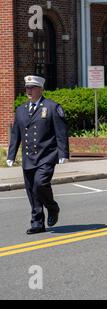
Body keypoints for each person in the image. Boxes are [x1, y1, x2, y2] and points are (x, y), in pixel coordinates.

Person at [7, 75, 69, 234]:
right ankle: (37, 223)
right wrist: (11, 155)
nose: (29, 90)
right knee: (31, 190)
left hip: (47, 156)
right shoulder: (20, 110)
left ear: (40, 89)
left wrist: (63, 153)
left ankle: (52, 207)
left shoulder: (52, 107)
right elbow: (16, 135)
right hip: (28, 157)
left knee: (40, 184)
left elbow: (61, 132)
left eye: (32, 87)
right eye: (27, 87)